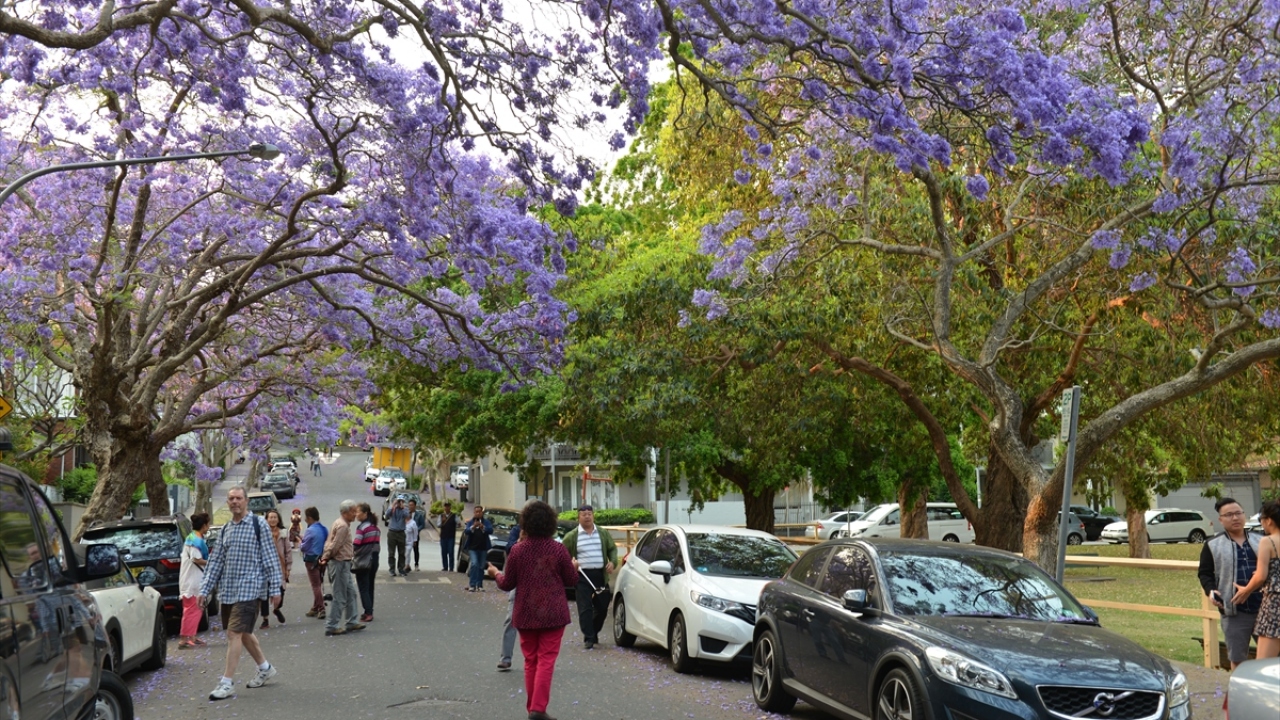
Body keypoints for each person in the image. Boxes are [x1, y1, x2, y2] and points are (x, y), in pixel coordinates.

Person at [487, 500, 576, 720]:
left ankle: (532, 708)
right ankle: (538, 709)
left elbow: (507, 584)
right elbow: (571, 580)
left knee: (531, 661)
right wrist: (574, 566)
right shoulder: (558, 549)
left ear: (525, 522)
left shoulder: (518, 551)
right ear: (551, 523)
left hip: (526, 612)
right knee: (546, 659)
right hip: (553, 612)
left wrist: (495, 573)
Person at [198, 486, 283, 701]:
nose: (235, 501)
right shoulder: (226, 529)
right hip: (229, 590)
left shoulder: (259, 525)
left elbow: (270, 558)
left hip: (251, 588)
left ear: (246, 501)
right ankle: (265, 668)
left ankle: (226, 683)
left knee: (234, 633)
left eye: (238, 498)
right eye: (231, 499)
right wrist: (204, 589)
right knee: (243, 633)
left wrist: (275, 588)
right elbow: (216, 562)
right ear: (227, 503)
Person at [1199, 496, 1263, 668]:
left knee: (1272, 657)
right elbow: (1205, 573)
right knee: (1237, 658)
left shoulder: (1262, 540)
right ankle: (1239, 693)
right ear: (1220, 519)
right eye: (1228, 515)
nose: (1235, 518)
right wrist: (1211, 590)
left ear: (1245, 515)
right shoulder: (1212, 544)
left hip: (1265, 608)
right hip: (1234, 609)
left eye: (1238, 513)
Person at [560, 504, 618, 649]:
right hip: (582, 576)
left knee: (602, 607)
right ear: (578, 517)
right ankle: (589, 638)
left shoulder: (602, 533)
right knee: (585, 608)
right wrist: (571, 565)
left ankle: (594, 630)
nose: (587, 516)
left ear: (593, 516)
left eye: (589, 514)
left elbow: (612, 549)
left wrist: (613, 562)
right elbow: (562, 555)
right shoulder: (572, 536)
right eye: (584, 514)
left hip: (600, 574)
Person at [1232, 500, 1280, 659]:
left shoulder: (1268, 541)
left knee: (1263, 663)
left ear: (1269, 520)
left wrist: (1246, 590)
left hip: (1275, 605)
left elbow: (1260, 576)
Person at [319, 500, 365, 636]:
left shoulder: (340, 523)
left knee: (351, 593)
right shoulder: (343, 526)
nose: (355, 514)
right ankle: (332, 625)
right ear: (345, 512)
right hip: (339, 563)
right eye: (353, 511)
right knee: (340, 596)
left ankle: (352, 621)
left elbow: (331, 543)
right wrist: (325, 557)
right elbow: (335, 545)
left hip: (343, 563)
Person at [178, 512, 211, 649]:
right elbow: (196, 558)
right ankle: (184, 639)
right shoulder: (195, 541)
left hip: (194, 578)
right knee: (192, 608)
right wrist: (211, 562)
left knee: (196, 608)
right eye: (208, 524)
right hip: (191, 580)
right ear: (204, 526)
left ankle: (192, 636)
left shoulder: (194, 537)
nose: (209, 527)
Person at [259, 509, 291, 629]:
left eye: (274, 517)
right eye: (270, 517)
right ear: (266, 520)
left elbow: (288, 551)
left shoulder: (283, 533)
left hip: (280, 568)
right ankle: (265, 619)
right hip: (265, 568)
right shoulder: (262, 533)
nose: (272, 519)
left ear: (278, 520)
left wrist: (288, 567)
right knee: (265, 595)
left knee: (280, 592)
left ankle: (277, 609)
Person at [498, 516, 522, 670]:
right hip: (518, 582)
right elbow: (509, 548)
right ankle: (506, 658)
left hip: (537, 585)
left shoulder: (543, 534)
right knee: (511, 619)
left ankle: (539, 658)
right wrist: (520, 540)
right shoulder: (517, 530)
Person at [353, 502, 381, 621]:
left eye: (358, 512)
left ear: (365, 513)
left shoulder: (361, 528)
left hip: (363, 561)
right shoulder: (376, 528)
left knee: (363, 587)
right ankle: (369, 610)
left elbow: (356, 544)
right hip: (374, 559)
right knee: (370, 586)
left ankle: (368, 612)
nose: (356, 514)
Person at [300, 506, 328, 619]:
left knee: (315, 585)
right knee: (319, 582)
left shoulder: (310, 530)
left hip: (312, 560)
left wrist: (300, 542)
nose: (305, 520)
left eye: (306, 517)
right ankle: (315, 607)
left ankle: (321, 608)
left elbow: (304, 547)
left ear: (310, 518)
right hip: (322, 559)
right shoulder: (324, 528)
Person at [462, 505, 493, 592]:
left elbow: (491, 530)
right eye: (476, 512)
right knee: (474, 564)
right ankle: (472, 584)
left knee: (481, 566)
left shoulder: (486, 522)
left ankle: (479, 585)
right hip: (473, 548)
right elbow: (466, 531)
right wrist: (473, 527)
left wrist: (483, 527)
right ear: (474, 513)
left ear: (482, 513)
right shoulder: (471, 522)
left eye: (479, 512)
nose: (478, 513)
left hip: (483, 548)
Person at [384, 496, 410, 576]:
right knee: (391, 553)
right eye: (399, 501)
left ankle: (401, 569)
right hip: (392, 532)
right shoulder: (392, 509)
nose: (399, 503)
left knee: (401, 553)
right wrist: (393, 505)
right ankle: (392, 569)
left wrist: (403, 507)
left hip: (401, 533)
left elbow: (407, 516)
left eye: (401, 501)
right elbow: (386, 515)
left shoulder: (404, 509)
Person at [409, 499, 427, 571]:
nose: (410, 507)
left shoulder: (419, 515)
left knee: (415, 550)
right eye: (409, 505)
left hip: (415, 535)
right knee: (407, 550)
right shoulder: (406, 514)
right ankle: (406, 564)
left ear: (415, 506)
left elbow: (422, 525)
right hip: (407, 535)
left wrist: (417, 529)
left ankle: (416, 564)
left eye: (412, 505)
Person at [439, 501, 458, 572]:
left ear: (450, 507)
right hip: (443, 536)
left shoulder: (454, 515)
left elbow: (458, 523)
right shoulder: (441, 515)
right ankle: (445, 566)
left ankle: (451, 567)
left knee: (451, 552)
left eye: (448, 506)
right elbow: (438, 524)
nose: (446, 508)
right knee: (444, 552)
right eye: (445, 506)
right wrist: (442, 521)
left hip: (451, 536)